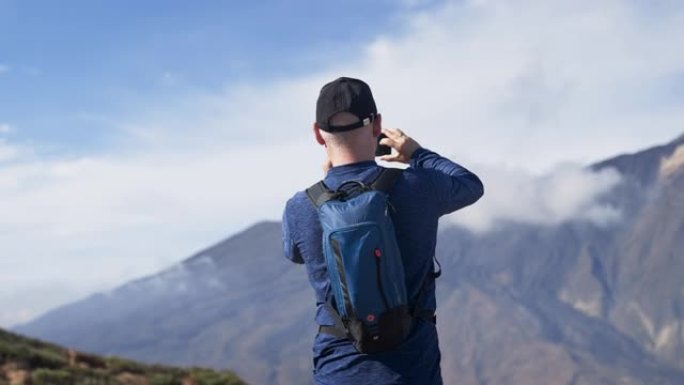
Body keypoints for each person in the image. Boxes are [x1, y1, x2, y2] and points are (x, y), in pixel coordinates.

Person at [282, 77, 484, 385]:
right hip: (412, 372)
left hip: (337, 371)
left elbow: (295, 253)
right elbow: (471, 185)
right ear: (377, 125)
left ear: (317, 134)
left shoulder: (301, 206)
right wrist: (417, 154)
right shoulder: (418, 185)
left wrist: (329, 188)